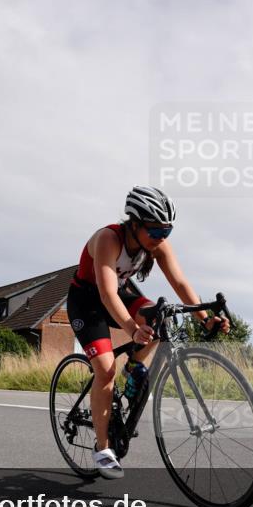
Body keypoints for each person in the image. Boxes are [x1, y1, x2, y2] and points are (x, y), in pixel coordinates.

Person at [67, 186, 230, 479]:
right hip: (87, 301)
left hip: (118, 294)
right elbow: (106, 294)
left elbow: (180, 284)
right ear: (135, 223)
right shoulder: (108, 238)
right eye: (155, 231)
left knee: (159, 314)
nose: (161, 237)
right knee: (105, 369)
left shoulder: (158, 245)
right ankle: (103, 449)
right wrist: (132, 330)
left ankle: (133, 365)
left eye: (167, 231)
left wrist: (205, 320)